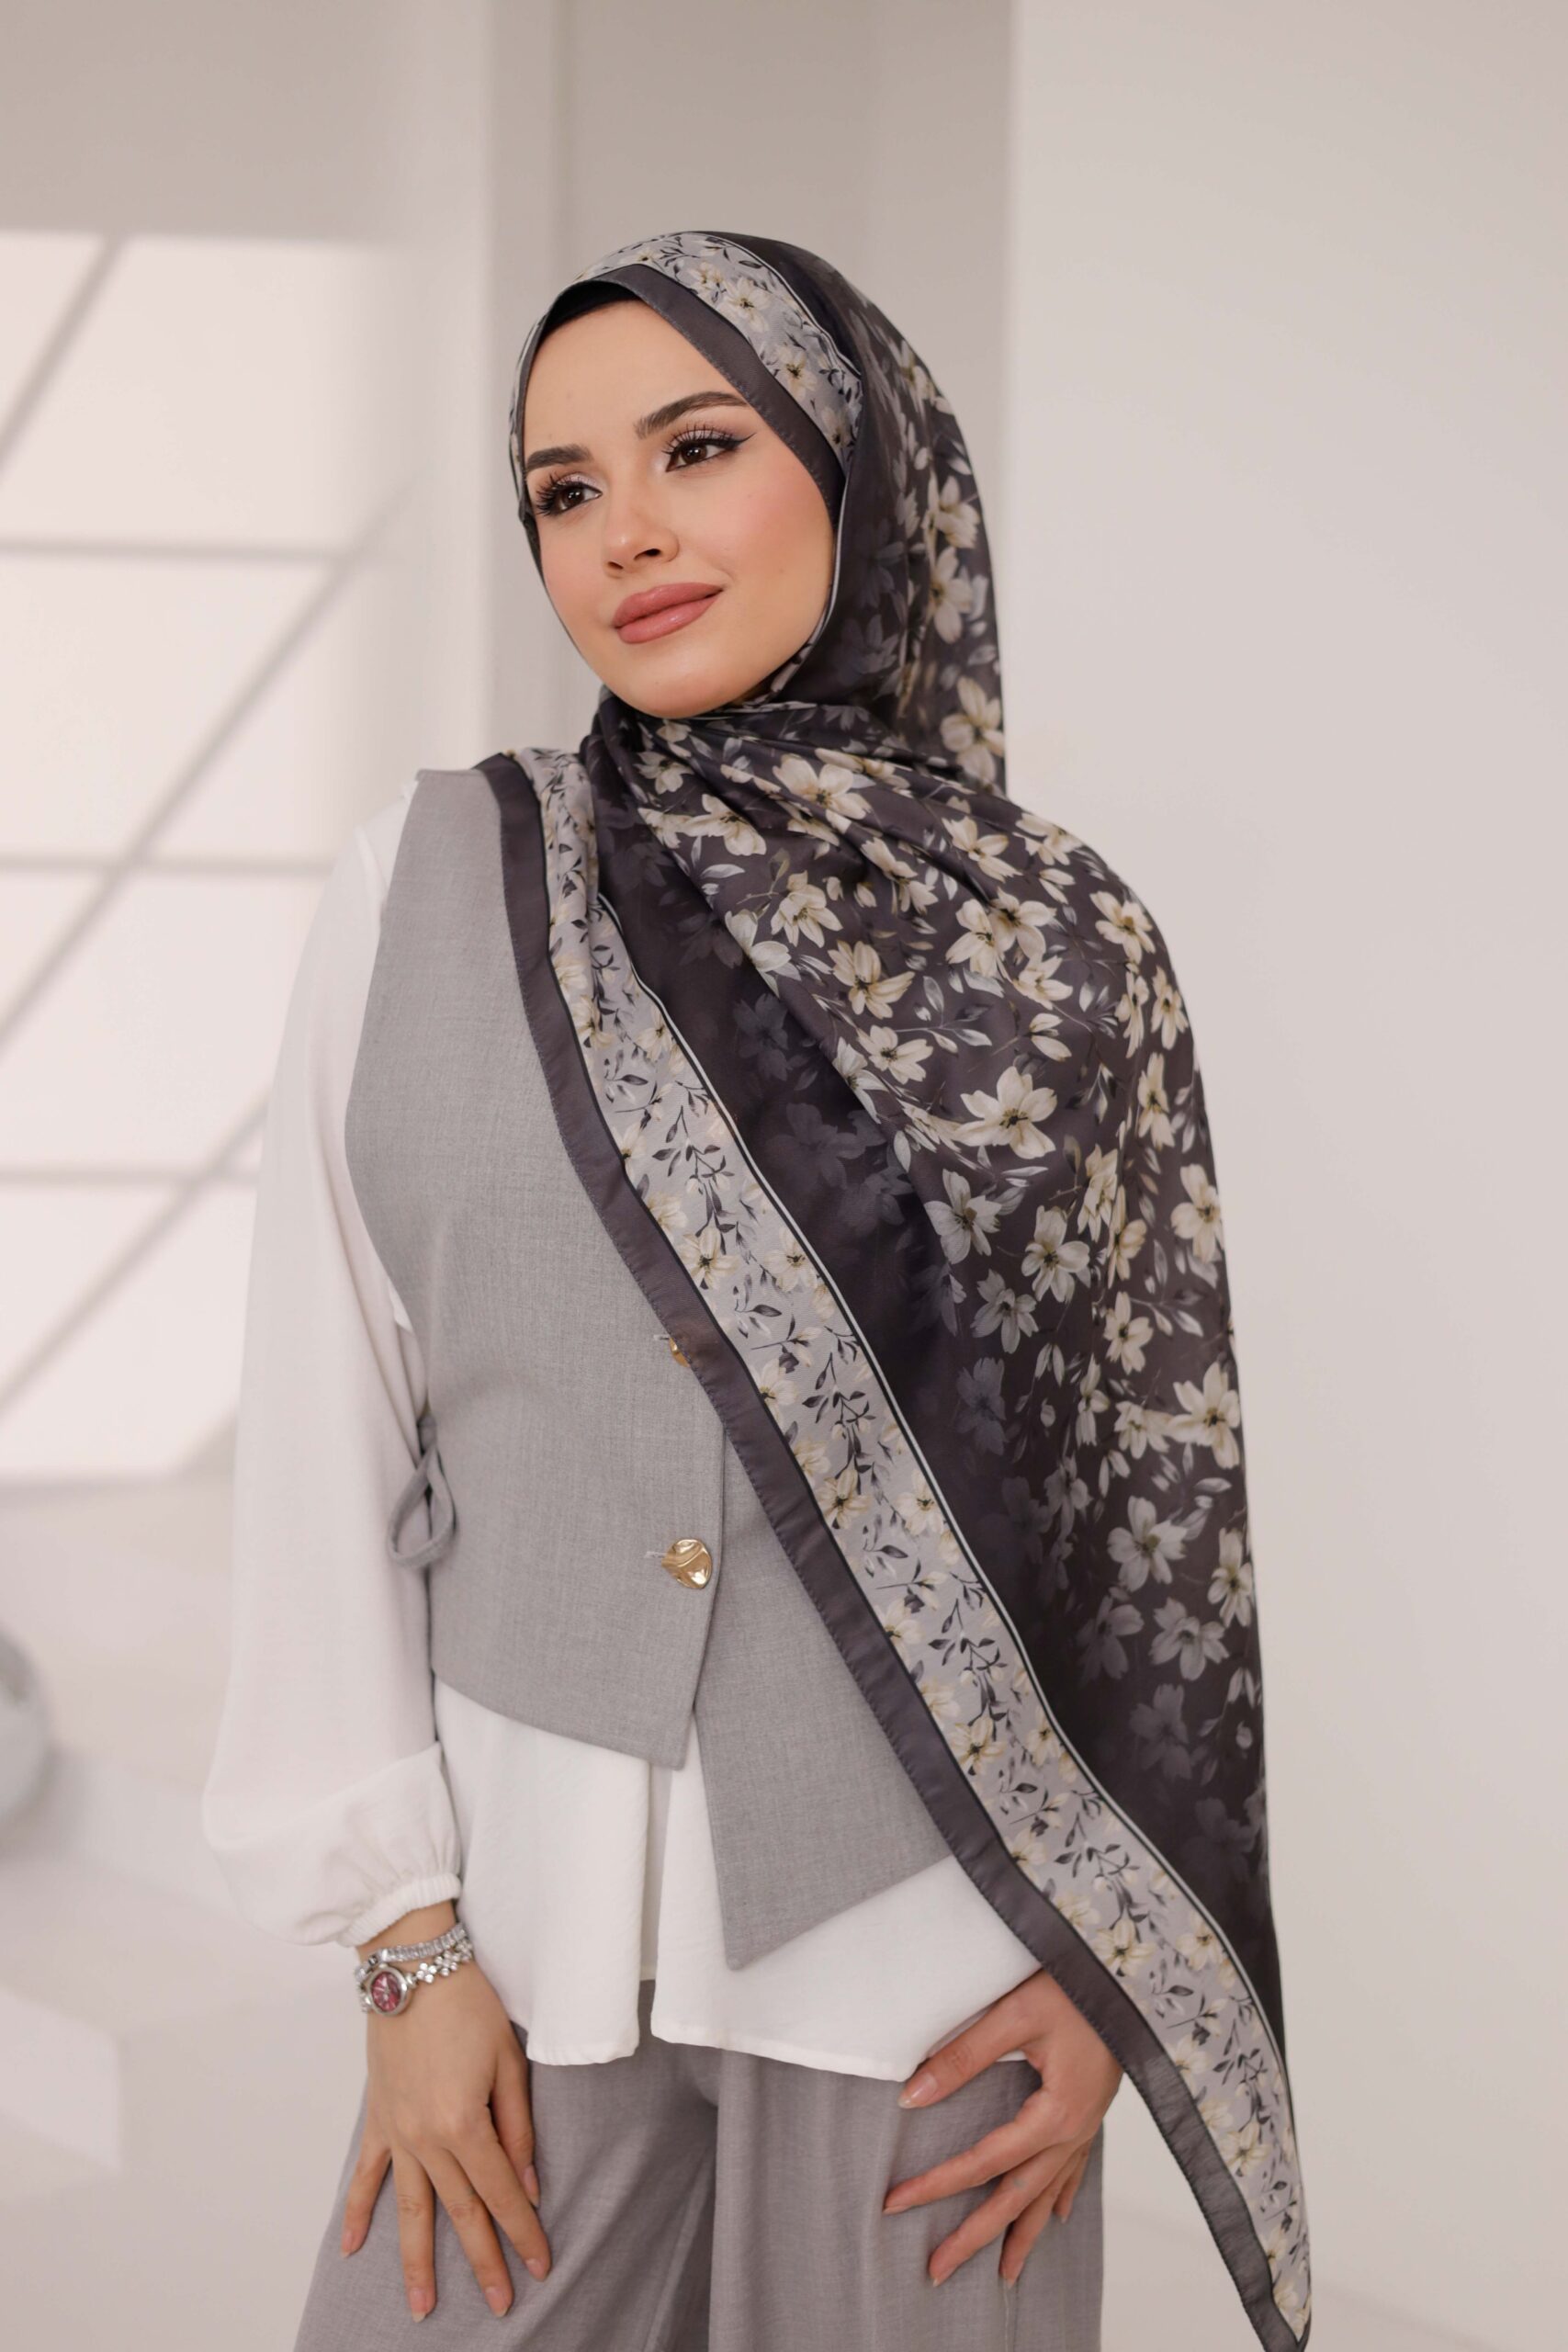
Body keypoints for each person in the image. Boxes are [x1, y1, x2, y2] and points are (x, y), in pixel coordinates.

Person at [202, 230, 1308, 2351]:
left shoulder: (1057, 952)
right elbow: (319, 1418)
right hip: (518, 1929)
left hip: (934, 1953)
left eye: (694, 447)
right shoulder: (431, 880)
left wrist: (1110, 1964)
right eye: (561, 487)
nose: (624, 530)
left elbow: (1147, 1522)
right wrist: (402, 1942)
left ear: (858, 471)